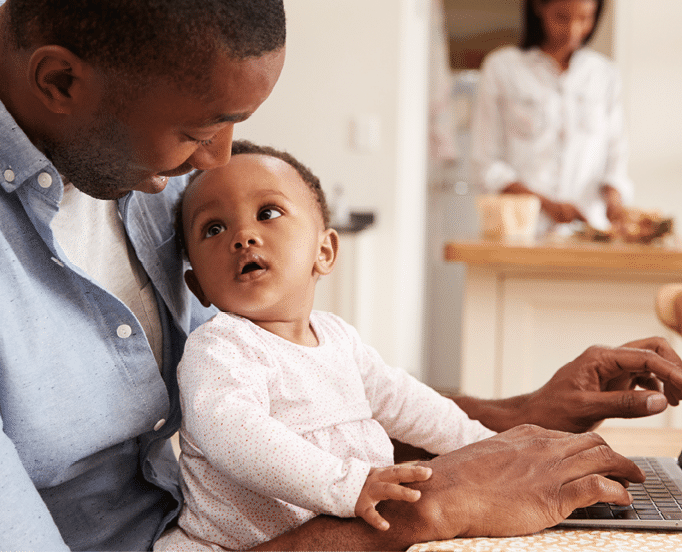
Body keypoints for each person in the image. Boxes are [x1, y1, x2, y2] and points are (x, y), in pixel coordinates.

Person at [0, 0, 681, 552]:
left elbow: (309, 389)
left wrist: (514, 415)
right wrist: (426, 511)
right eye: (199, 131)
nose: (215, 165)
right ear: (60, 82)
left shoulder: (111, 78)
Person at [158, 141, 494, 551]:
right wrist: (346, 485)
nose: (243, 236)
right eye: (214, 228)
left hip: (339, 536)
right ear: (198, 287)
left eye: (268, 213)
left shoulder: (340, 339)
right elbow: (235, 434)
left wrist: (488, 447)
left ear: (324, 250)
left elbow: (409, 402)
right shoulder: (219, 347)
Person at [471, 0, 633, 231]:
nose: (573, 30)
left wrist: (614, 202)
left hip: (589, 232)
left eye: (585, 18)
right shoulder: (503, 68)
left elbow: (615, 155)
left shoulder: (604, 75)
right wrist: (545, 205)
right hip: (521, 232)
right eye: (561, 17)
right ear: (538, 6)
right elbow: (486, 164)